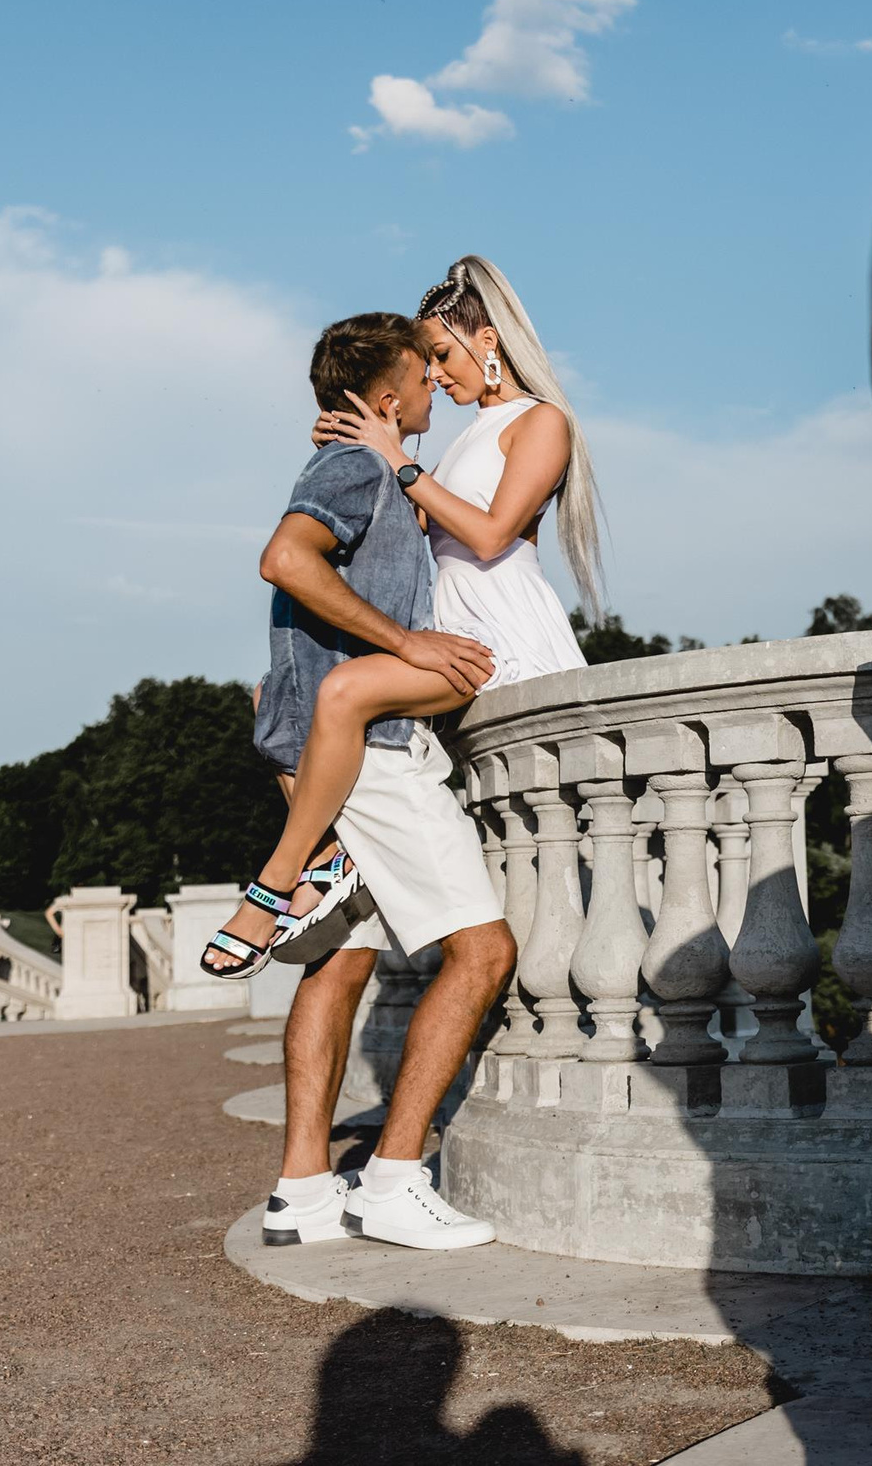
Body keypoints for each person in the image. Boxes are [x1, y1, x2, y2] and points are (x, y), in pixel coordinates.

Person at [202, 256, 600, 976]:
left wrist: (402, 464)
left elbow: (488, 533)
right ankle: (333, 855)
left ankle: (279, 881)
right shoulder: (454, 443)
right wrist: (360, 457)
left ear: (489, 340)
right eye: (427, 366)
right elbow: (400, 534)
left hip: (497, 632)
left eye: (442, 356)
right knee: (278, 697)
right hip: (449, 628)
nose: (437, 377)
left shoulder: (543, 421)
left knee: (345, 692)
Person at [242, 311, 519, 1251]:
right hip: (367, 750)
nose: (436, 384)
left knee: (343, 957)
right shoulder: (355, 466)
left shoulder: (362, 465)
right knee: (482, 952)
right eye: (423, 370)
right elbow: (284, 559)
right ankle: (395, 1178)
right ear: (389, 390)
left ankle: (303, 1190)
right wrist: (409, 643)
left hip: (319, 743)